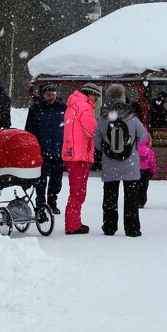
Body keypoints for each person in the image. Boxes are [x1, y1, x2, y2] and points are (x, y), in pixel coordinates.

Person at [95, 83, 149, 237]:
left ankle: (109, 227)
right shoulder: (132, 116)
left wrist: (109, 149)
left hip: (109, 164)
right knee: (131, 198)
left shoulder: (103, 117)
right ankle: (132, 228)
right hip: (130, 164)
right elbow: (143, 137)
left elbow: (97, 143)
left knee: (110, 197)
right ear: (122, 97)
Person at [61, 83, 101, 234]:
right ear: (89, 94)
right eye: (95, 97)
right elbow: (92, 131)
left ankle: (73, 222)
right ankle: (72, 225)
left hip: (72, 154)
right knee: (78, 192)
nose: (96, 100)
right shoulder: (84, 107)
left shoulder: (72, 106)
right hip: (80, 155)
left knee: (75, 190)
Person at [25, 84, 67, 212]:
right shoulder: (36, 109)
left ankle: (52, 203)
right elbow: (29, 130)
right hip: (41, 151)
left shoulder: (63, 108)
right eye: (48, 94)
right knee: (41, 181)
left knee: (56, 181)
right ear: (43, 95)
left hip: (58, 151)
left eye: (53, 93)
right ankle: (41, 204)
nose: (51, 96)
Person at [137, 135, 155, 208]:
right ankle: (142, 201)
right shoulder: (149, 150)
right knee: (143, 187)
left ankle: (135, 199)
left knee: (135, 186)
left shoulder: (134, 149)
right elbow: (152, 162)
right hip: (146, 171)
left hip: (135, 170)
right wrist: (153, 171)